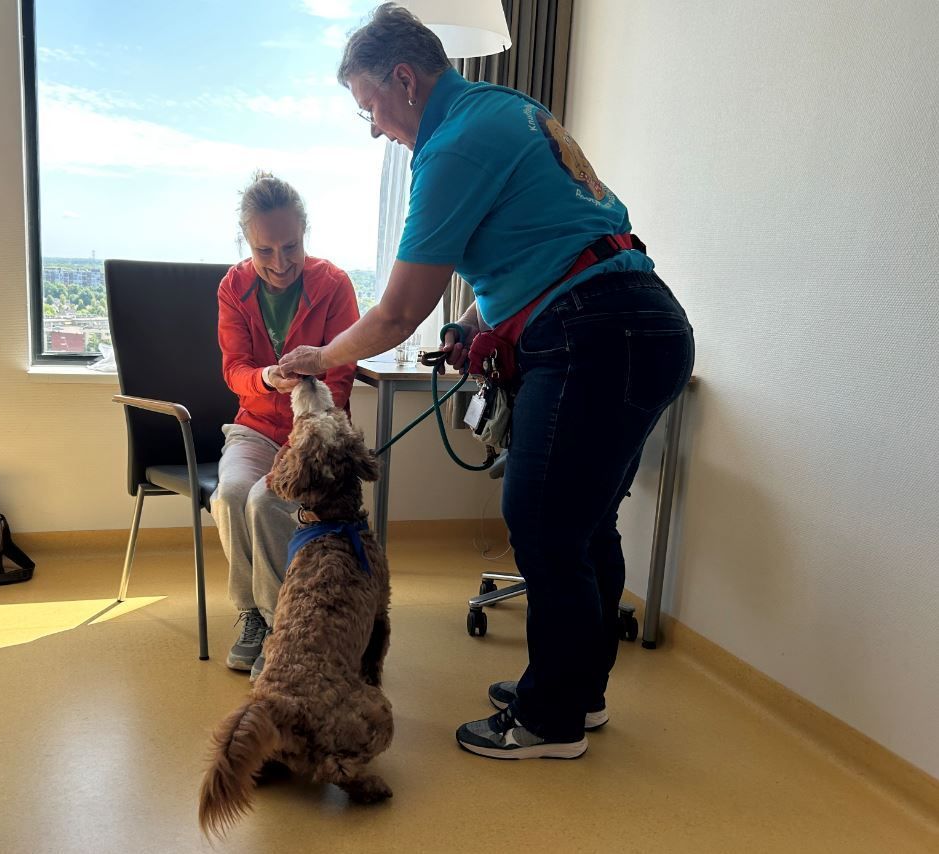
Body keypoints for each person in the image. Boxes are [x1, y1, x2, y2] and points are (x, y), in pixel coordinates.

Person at [279, 4, 695, 759]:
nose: (373, 126)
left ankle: (549, 722)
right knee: (583, 524)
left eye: (370, 105)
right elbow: (539, 246)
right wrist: (475, 325)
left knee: (540, 523)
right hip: (640, 323)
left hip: (594, 335)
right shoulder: (509, 110)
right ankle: (579, 693)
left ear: (404, 79)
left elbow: (399, 308)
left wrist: (321, 357)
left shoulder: (452, 146)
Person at [213, 171, 359, 680]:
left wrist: (304, 431)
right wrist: (268, 378)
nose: (279, 263)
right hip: (253, 425)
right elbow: (234, 373)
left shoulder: (335, 285)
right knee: (231, 494)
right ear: (248, 245)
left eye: (290, 246)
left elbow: (339, 380)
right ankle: (252, 616)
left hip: (310, 431)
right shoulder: (233, 287)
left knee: (266, 499)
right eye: (264, 250)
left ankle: (283, 627)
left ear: (305, 233)